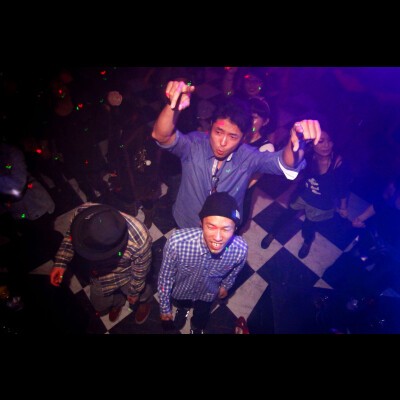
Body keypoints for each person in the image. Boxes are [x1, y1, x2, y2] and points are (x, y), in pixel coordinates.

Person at [151, 80, 321, 229]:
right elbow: (161, 136)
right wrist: (173, 106)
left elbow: (285, 163)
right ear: (211, 125)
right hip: (187, 220)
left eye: (233, 136)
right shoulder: (195, 144)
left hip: (222, 230)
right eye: (218, 132)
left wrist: (297, 143)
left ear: (243, 138)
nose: (223, 142)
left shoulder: (248, 157)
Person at [157, 192, 248, 334]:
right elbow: (165, 277)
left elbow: (234, 272)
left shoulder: (240, 249)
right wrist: (164, 307)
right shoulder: (177, 243)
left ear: (235, 229)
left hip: (208, 294)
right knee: (182, 303)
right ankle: (183, 310)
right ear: (201, 224)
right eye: (211, 227)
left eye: (226, 229)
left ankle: (196, 327)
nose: (218, 237)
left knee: (201, 316)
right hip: (181, 291)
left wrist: (225, 286)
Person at [49, 202, 153, 324]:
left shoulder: (140, 239)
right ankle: (118, 303)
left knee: (140, 293)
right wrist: (61, 261)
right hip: (98, 274)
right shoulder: (83, 214)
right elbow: (73, 235)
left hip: (126, 272)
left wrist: (134, 292)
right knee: (100, 304)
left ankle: (145, 302)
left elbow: (140, 271)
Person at [260, 125, 352, 258]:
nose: (326, 145)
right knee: (286, 215)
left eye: (329, 141)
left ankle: (307, 242)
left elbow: (343, 188)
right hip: (302, 195)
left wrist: (343, 207)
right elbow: (288, 162)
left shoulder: (338, 163)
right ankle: (272, 233)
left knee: (309, 226)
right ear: (312, 143)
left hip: (320, 203)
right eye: (321, 141)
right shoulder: (307, 156)